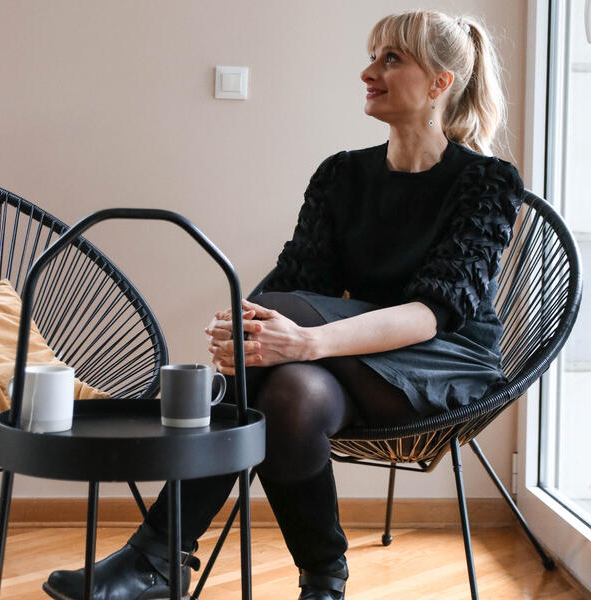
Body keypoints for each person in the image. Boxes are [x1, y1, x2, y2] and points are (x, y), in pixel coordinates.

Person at [43, 9, 524, 600]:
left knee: (269, 342)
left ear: (439, 83)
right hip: (351, 365)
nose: (368, 72)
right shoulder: (341, 176)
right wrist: (244, 328)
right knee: (288, 394)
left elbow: (429, 315)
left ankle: (157, 557)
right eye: (372, 56)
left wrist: (300, 339)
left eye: (391, 59)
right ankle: (323, 580)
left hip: (439, 364)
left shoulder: (486, 182)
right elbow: (299, 281)